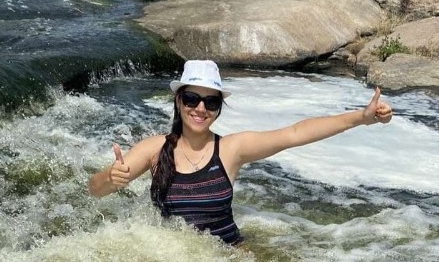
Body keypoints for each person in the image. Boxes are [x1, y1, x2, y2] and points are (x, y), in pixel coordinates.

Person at [87, 60, 393, 244]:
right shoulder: (154, 149)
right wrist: (111, 178)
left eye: (211, 102)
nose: (200, 108)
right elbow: (94, 190)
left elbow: (294, 134)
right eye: (192, 98)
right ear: (178, 101)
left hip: (229, 261)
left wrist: (361, 118)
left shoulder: (231, 149)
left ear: (218, 108)